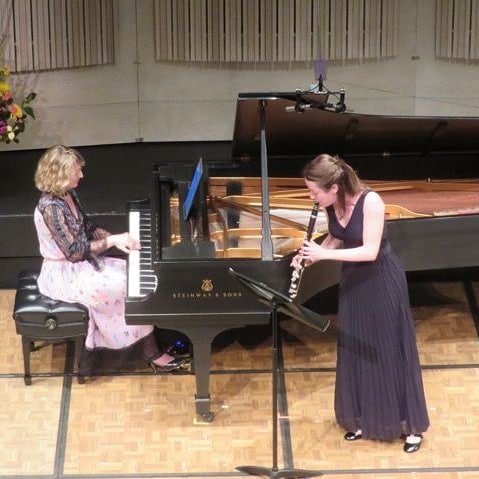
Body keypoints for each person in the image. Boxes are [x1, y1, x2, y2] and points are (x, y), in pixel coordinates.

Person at [292, 153, 429, 453]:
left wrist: (323, 255)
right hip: (354, 283)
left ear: (334, 187)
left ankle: (411, 427)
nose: (311, 196)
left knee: (390, 350)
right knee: (358, 349)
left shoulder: (371, 202)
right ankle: (364, 418)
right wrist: (310, 254)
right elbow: (337, 237)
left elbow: (369, 251)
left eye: (314, 191)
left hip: (381, 282)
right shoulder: (331, 204)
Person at [33, 145, 186, 375]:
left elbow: (88, 227)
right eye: (77, 171)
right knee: (128, 286)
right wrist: (113, 240)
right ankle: (150, 351)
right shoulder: (51, 208)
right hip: (64, 275)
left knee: (132, 271)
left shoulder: (67, 194)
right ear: (61, 174)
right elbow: (75, 252)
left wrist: (122, 240)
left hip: (80, 266)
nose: (81, 175)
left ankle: (150, 340)